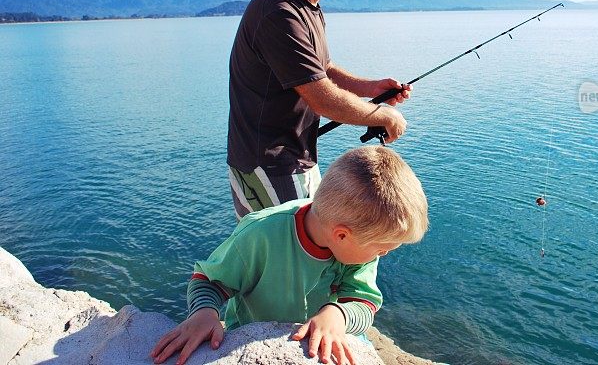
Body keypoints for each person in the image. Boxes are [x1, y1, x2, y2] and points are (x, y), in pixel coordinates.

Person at [150, 146, 428, 365]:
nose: (386, 253)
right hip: (254, 338)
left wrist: (338, 315)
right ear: (341, 235)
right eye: (383, 247)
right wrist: (204, 313)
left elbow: (364, 302)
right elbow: (210, 280)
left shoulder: (357, 245)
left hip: (330, 336)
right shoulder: (261, 234)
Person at [227, 0, 412, 220]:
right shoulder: (279, 12)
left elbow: (320, 67)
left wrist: (370, 88)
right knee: (291, 260)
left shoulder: (307, 5)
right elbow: (322, 98)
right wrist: (384, 116)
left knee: (301, 252)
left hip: (292, 158)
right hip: (272, 165)